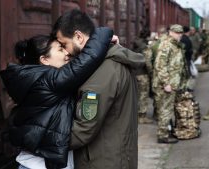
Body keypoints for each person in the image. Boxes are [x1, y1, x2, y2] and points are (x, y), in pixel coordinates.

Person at [0, 27, 114, 169]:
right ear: (45, 59)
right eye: (60, 49)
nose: (67, 52)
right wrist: (104, 33)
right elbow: (87, 60)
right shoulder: (49, 79)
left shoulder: (35, 78)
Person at [52, 9, 144, 169]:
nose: (65, 51)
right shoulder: (111, 60)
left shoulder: (101, 72)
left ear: (79, 37)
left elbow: (83, 130)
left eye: (64, 44)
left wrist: (42, 139)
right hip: (115, 155)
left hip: (103, 161)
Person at [152, 24, 186, 144]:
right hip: (164, 85)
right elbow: (160, 65)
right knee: (165, 110)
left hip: (172, 84)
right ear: (171, 32)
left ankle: (167, 130)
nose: (180, 35)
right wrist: (166, 83)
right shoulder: (166, 45)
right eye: (177, 33)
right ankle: (162, 135)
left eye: (181, 33)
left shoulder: (175, 45)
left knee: (167, 109)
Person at [133, 27, 154, 124]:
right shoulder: (145, 47)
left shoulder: (135, 43)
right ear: (148, 36)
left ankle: (135, 115)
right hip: (143, 74)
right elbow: (148, 62)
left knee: (136, 95)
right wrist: (151, 73)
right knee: (143, 95)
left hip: (134, 73)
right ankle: (142, 116)